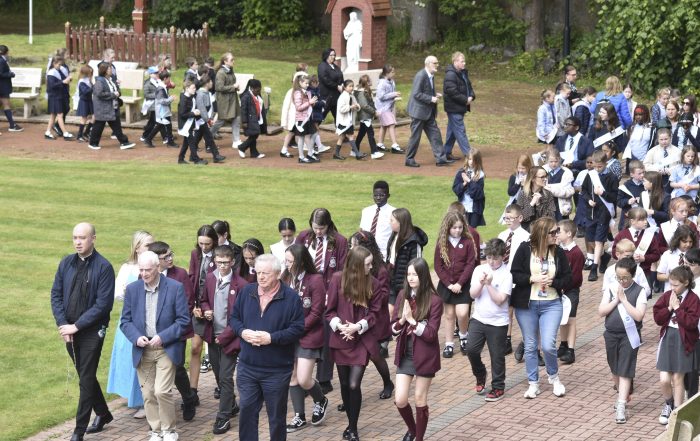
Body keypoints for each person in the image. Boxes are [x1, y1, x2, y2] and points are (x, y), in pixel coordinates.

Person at [50, 223, 115, 441]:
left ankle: (78, 431)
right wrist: (63, 324)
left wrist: (76, 326)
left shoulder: (104, 268)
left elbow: (103, 305)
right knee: (85, 373)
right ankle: (103, 413)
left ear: (93, 238)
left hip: (92, 331)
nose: (78, 242)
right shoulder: (66, 263)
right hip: (69, 329)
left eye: (82, 238)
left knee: (85, 378)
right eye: (75, 238)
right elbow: (56, 295)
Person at [230, 254, 304, 441]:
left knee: (276, 417)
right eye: (258, 273)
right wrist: (242, 332)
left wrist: (271, 338)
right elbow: (234, 318)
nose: (261, 277)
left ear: (278, 274)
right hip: (248, 367)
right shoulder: (247, 292)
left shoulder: (291, 298)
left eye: (266, 273)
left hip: (276, 370)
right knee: (247, 412)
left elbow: (297, 329)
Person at [120, 251, 189, 441]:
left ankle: (169, 430)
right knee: (148, 393)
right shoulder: (133, 289)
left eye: (148, 270)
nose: (143, 274)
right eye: (141, 270)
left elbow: (183, 321)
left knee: (161, 391)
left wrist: (162, 337)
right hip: (143, 350)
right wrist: (136, 338)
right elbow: (125, 321)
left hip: (166, 348)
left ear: (158, 267)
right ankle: (156, 431)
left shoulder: (175, 288)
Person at [511, 217, 572, 399]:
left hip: (551, 303)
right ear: (542, 234)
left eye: (557, 231)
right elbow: (515, 274)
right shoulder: (525, 249)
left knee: (548, 345)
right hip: (527, 304)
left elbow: (568, 278)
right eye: (553, 232)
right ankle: (533, 383)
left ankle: (554, 377)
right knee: (530, 345)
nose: (556, 235)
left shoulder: (558, 252)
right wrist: (532, 279)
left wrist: (554, 282)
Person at [326, 246, 383, 441]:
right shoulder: (337, 280)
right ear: (357, 265)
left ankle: (353, 428)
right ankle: (350, 424)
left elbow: (375, 313)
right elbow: (330, 311)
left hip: (361, 341)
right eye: (368, 264)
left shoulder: (374, 283)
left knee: (353, 384)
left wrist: (358, 327)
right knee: (344, 383)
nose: (371, 267)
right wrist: (340, 326)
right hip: (341, 339)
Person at [295, 208, 348, 393]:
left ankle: (324, 379)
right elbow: (295, 260)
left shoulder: (339, 241)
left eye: (322, 228)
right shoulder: (304, 237)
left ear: (328, 225)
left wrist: (332, 294)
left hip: (328, 294)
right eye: (315, 227)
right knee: (304, 332)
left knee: (326, 335)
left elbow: (341, 270)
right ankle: (302, 376)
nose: (318, 231)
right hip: (305, 293)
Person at [392, 257, 443, 441]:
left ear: (423, 275)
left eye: (415, 274)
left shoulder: (435, 300)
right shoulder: (402, 295)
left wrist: (413, 321)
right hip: (406, 354)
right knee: (400, 399)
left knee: (420, 398)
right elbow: (392, 329)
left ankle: (419, 438)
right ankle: (413, 430)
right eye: (408, 274)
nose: (411, 278)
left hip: (425, 355)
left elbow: (431, 334)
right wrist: (402, 320)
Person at [147, 241, 199, 421]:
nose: (170, 259)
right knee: (154, 370)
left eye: (171, 254)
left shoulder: (180, 274)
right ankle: (161, 408)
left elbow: (189, 302)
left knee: (176, 367)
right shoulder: (146, 274)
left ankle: (189, 398)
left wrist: (171, 328)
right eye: (166, 257)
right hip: (152, 333)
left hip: (176, 332)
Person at [201, 245, 249, 434]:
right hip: (212, 336)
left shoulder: (241, 285)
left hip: (231, 337)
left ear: (233, 262)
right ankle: (232, 404)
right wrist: (206, 310)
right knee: (218, 375)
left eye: (226, 262)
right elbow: (203, 299)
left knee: (226, 377)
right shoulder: (210, 278)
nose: (222, 266)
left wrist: (225, 336)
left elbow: (241, 316)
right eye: (219, 262)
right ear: (215, 261)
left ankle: (223, 417)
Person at [281, 244, 329, 432]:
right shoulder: (285, 278)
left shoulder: (315, 280)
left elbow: (316, 312)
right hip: (289, 336)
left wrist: (297, 329)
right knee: (292, 377)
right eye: (286, 260)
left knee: (303, 378)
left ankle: (320, 399)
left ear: (301, 262)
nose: (287, 264)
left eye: (290, 261)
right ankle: (299, 416)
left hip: (308, 335)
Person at [107, 230, 153, 419]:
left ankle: (144, 402)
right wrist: (127, 292)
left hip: (147, 319)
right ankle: (133, 397)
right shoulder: (127, 268)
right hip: (129, 319)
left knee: (143, 359)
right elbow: (117, 293)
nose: (151, 248)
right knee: (128, 358)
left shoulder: (154, 267)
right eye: (147, 245)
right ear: (137, 247)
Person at [598, 257, 647, 424]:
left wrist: (624, 300)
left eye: (625, 277)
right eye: (618, 277)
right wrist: (616, 300)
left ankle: (621, 405)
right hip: (611, 334)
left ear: (632, 275)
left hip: (629, 335)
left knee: (625, 368)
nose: (621, 280)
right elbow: (601, 311)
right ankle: (622, 395)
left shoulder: (639, 291)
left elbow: (639, 315)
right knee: (614, 367)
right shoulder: (611, 288)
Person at [466, 239, 512, 401]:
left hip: (498, 323)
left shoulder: (507, 274)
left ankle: (498, 387)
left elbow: (500, 300)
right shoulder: (479, 269)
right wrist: (481, 284)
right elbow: (472, 295)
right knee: (471, 350)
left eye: (495, 258)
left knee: (497, 356)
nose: (491, 261)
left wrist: (489, 285)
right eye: (489, 257)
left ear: (503, 257)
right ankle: (480, 374)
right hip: (478, 319)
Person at [653, 266, 700, 425]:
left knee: (678, 378)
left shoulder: (693, 299)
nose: (672, 287)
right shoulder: (668, 296)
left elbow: (692, 323)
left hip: (684, 340)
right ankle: (669, 403)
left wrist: (678, 309)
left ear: (686, 283)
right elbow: (658, 318)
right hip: (668, 338)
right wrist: (669, 308)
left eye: (675, 285)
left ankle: (677, 414)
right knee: (664, 379)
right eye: (670, 284)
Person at [434, 210, 477, 358]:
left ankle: (464, 336)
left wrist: (460, 283)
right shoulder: (442, 243)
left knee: (462, 313)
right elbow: (438, 266)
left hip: (463, 285)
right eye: (454, 228)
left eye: (460, 227)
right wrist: (449, 284)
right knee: (449, 315)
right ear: (448, 227)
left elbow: (470, 264)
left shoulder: (467, 242)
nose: (457, 230)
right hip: (447, 286)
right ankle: (449, 344)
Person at [405, 56, 452, 168]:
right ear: (428, 64)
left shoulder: (430, 75)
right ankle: (409, 159)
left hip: (428, 111)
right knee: (415, 137)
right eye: (435, 63)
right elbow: (416, 94)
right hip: (418, 112)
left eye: (437, 63)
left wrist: (434, 95)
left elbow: (424, 91)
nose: (437, 65)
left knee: (435, 135)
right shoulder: (421, 75)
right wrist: (431, 99)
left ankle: (441, 159)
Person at [188, 225, 218, 394]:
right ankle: (193, 391)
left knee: (216, 354)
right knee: (195, 348)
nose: (204, 247)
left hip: (215, 310)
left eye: (207, 244)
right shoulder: (195, 254)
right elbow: (192, 279)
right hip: (198, 308)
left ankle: (223, 387)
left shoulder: (220, 255)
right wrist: (194, 305)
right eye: (201, 243)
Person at [581, 149, 619, 281]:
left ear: (605, 163)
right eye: (595, 166)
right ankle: (603, 257)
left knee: (598, 241)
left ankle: (594, 268)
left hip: (604, 213)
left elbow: (614, 197)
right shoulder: (590, 175)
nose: (597, 169)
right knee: (590, 240)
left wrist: (603, 193)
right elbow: (584, 190)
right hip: (591, 213)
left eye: (600, 166)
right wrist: (588, 200)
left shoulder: (612, 177)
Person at [498, 204, 530, 357]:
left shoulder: (526, 237)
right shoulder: (502, 235)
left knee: (521, 311)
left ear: (520, 218)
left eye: (511, 218)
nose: (508, 221)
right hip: (504, 279)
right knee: (507, 309)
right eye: (506, 218)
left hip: (518, 278)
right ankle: (507, 339)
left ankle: (526, 340)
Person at [386, 208, 429, 317]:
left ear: (400, 222)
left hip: (405, 282)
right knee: (390, 310)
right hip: (392, 279)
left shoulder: (414, 241)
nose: (389, 222)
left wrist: (410, 282)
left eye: (392, 220)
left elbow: (417, 265)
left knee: (403, 312)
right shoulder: (394, 235)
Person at [611, 208, 663, 294]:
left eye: (646, 219)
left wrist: (644, 258)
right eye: (641, 220)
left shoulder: (649, 235)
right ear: (632, 221)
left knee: (644, 296)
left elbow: (656, 255)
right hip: (625, 273)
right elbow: (614, 253)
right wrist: (627, 256)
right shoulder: (622, 235)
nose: (645, 222)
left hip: (644, 273)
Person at [555, 220, 585, 364]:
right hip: (559, 289)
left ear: (568, 233)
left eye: (559, 231)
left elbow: (576, 276)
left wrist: (563, 286)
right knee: (562, 318)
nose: (556, 234)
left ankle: (571, 350)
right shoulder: (558, 250)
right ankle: (563, 344)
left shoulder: (576, 253)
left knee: (571, 319)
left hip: (570, 290)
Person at [88, 62, 135, 150]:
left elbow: (117, 91)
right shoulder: (99, 81)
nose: (111, 70)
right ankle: (93, 143)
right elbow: (99, 94)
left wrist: (118, 92)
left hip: (112, 108)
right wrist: (113, 94)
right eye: (109, 69)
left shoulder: (110, 80)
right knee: (98, 126)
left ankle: (124, 142)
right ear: (105, 71)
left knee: (116, 126)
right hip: (103, 109)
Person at [442, 51, 475, 161]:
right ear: (455, 62)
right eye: (462, 61)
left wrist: (472, 96)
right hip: (454, 108)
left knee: (452, 131)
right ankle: (469, 154)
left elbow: (469, 86)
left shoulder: (462, 73)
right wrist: (466, 100)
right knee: (460, 130)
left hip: (459, 107)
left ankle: (446, 153)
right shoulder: (450, 75)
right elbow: (452, 92)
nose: (464, 63)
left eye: (464, 61)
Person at [211, 52, 242, 148]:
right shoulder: (221, 73)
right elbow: (219, 87)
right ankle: (208, 135)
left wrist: (236, 88)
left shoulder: (230, 70)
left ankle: (236, 140)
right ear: (225, 61)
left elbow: (231, 83)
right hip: (224, 101)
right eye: (231, 60)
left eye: (233, 59)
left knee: (237, 118)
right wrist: (233, 87)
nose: (234, 61)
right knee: (221, 120)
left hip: (233, 99)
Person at [359, 180, 396, 260]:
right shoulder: (366, 211)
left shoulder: (393, 213)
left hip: (383, 254)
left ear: (388, 196)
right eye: (375, 195)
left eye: (381, 195)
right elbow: (361, 231)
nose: (378, 198)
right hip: (366, 252)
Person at [176, 80, 208, 165]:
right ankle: (196, 160)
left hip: (189, 123)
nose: (195, 89)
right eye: (193, 88)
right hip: (185, 125)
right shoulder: (184, 99)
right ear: (187, 88)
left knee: (186, 143)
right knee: (192, 142)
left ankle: (181, 159)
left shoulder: (190, 97)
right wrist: (193, 113)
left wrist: (195, 112)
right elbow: (182, 114)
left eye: (195, 88)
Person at [656, 225, 697, 292]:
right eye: (685, 241)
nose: (688, 244)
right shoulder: (667, 255)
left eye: (690, 242)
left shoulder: (695, 255)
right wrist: (673, 277)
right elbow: (659, 276)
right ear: (677, 240)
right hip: (671, 291)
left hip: (691, 292)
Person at [452, 149, 486, 228]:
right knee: (461, 228)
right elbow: (455, 189)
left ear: (478, 161)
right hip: (463, 207)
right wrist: (463, 184)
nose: (471, 162)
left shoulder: (480, 175)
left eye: (474, 160)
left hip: (474, 209)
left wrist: (469, 181)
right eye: (470, 159)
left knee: (472, 230)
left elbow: (477, 194)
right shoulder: (462, 172)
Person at [516, 166, 556, 231]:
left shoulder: (548, 194)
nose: (545, 179)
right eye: (542, 177)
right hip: (525, 231)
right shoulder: (523, 194)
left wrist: (538, 205)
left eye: (546, 176)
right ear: (533, 179)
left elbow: (551, 217)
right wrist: (531, 204)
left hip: (542, 231)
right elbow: (519, 217)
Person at [143, 70, 176, 148]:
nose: (170, 80)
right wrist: (171, 98)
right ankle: (169, 142)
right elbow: (162, 101)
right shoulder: (161, 88)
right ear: (165, 79)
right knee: (164, 125)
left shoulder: (162, 86)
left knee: (162, 125)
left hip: (163, 111)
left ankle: (148, 139)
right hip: (162, 111)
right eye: (169, 78)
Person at [334, 79, 366, 160]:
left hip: (348, 121)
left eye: (352, 86)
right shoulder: (342, 97)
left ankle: (336, 154)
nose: (351, 88)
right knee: (350, 136)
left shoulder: (351, 96)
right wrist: (351, 107)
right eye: (350, 86)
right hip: (344, 121)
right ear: (345, 87)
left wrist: (357, 106)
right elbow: (341, 109)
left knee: (342, 137)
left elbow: (356, 105)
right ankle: (357, 154)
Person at [374, 64, 403, 153]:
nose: (394, 73)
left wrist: (395, 95)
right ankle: (394, 145)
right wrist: (393, 94)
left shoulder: (391, 81)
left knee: (384, 125)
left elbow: (390, 94)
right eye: (392, 72)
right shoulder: (382, 83)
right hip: (382, 108)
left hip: (388, 107)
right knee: (391, 124)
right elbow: (381, 96)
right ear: (387, 73)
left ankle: (379, 144)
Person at [292, 74, 320, 164]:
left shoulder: (307, 92)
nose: (308, 85)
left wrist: (313, 103)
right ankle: (301, 157)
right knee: (301, 138)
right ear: (300, 83)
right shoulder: (297, 93)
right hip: (301, 119)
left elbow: (309, 105)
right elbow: (298, 107)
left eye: (308, 83)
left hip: (308, 118)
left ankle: (310, 153)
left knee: (314, 134)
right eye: (306, 83)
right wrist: (309, 102)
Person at [354, 74, 384, 159]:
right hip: (365, 116)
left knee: (361, 133)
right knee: (370, 133)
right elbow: (364, 106)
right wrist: (374, 112)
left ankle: (354, 150)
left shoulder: (364, 91)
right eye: (369, 80)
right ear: (366, 82)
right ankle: (374, 152)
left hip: (365, 116)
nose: (371, 81)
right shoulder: (362, 93)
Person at [45, 56, 74, 141]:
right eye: (58, 64)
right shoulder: (51, 73)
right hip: (54, 97)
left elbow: (62, 81)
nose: (60, 66)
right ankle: (65, 133)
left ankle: (47, 132)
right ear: (54, 64)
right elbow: (51, 86)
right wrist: (63, 82)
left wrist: (68, 79)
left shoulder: (58, 70)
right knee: (60, 115)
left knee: (53, 116)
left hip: (58, 96)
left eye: (61, 64)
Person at [237, 78, 267, 159]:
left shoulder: (257, 95)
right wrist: (244, 121)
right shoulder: (246, 97)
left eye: (259, 90)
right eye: (257, 90)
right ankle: (242, 147)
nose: (258, 92)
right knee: (254, 135)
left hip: (257, 119)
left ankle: (254, 153)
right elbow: (243, 110)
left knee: (254, 135)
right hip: (249, 120)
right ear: (252, 88)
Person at [543, 149, 575, 221]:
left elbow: (569, 191)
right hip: (547, 206)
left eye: (556, 161)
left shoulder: (566, 173)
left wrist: (551, 190)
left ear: (559, 160)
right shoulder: (542, 171)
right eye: (551, 161)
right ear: (547, 160)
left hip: (561, 207)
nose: (553, 164)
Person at [317, 48, 344, 123]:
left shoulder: (336, 67)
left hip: (336, 96)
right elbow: (325, 80)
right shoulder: (322, 66)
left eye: (334, 55)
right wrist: (337, 86)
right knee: (320, 117)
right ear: (326, 55)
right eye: (331, 55)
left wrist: (342, 84)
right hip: (326, 96)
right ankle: (312, 129)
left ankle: (341, 130)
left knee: (339, 118)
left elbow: (341, 77)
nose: (333, 57)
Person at [0, 45, 22, 132]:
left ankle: (12, 124)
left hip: (2, 86)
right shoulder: (1, 61)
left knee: (5, 104)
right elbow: (1, 73)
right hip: (3, 87)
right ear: (6, 52)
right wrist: (10, 74)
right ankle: (12, 125)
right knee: (6, 105)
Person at [75, 65, 94, 143]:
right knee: (84, 118)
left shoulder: (88, 80)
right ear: (86, 73)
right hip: (84, 101)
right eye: (90, 72)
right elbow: (85, 91)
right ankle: (79, 136)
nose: (91, 74)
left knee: (94, 117)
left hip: (89, 101)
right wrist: (93, 87)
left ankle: (86, 132)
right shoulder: (82, 81)